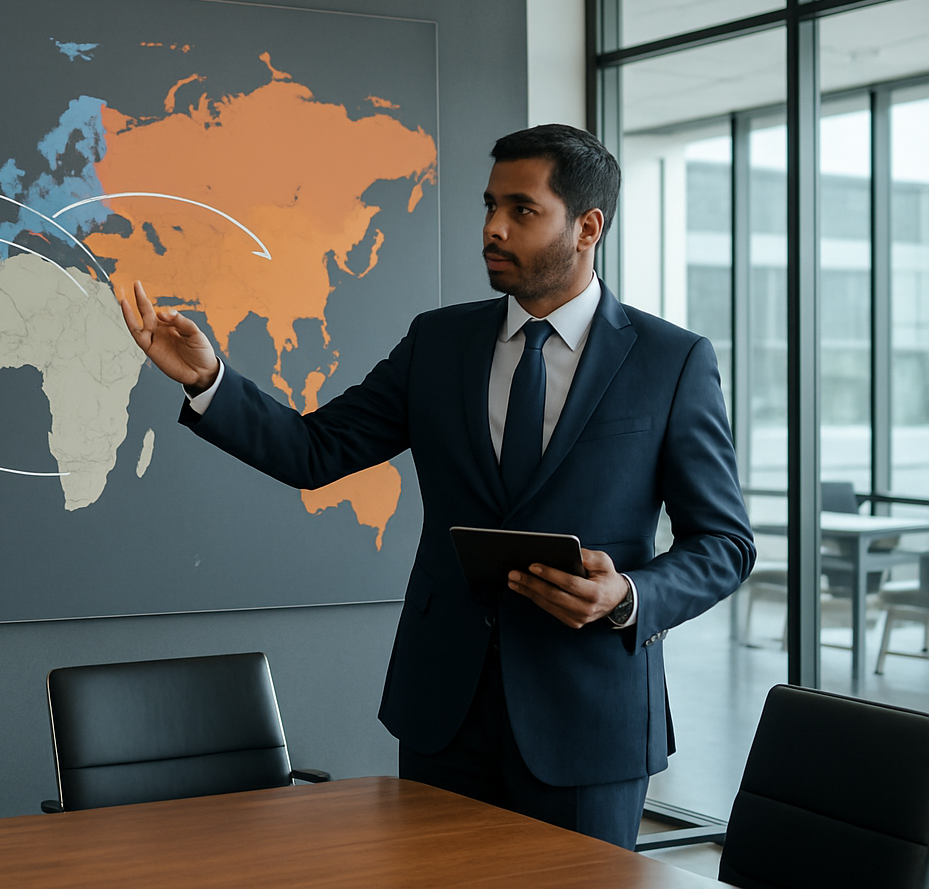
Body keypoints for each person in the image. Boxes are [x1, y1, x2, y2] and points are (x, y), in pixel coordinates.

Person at [117, 124, 755, 850]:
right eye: (489, 205)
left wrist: (629, 595)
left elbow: (724, 543)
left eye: (521, 210)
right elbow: (315, 450)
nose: (493, 227)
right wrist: (209, 381)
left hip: (589, 717)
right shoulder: (438, 342)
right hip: (442, 708)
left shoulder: (671, 361)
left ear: (587, 226)